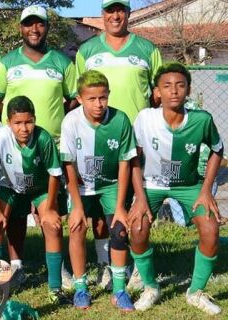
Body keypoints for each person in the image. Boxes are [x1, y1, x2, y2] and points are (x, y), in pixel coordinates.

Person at [75, 0, 163, 286]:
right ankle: (105, 263)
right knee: (102, 208)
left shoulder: (148, 49)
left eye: (120, 10)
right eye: (110, 10)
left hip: (137, 140)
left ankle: (138, 265)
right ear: (102, 14)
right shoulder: (87, 50)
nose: (115, 15)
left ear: (128, 13)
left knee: (139, 202)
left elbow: (157, 95)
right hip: (98, 139)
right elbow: (79, 93)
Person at [129, 62, 223, 315]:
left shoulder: (201, 120)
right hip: (151, 185)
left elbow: (217, 149)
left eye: (180, 85)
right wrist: (139, 198)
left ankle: (196, 292)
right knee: (137, 229)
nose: (174, 91)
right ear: (157, 91)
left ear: (188, 90)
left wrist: (205, 190)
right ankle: (151, 287)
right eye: (167, 86)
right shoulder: (145, 119)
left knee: (211, 228)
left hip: (189, 185)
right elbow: (133, 160)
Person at [60, 70, 136, 311]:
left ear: (109, 95)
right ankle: (81, 287)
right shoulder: (70, 121)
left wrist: (121, 207)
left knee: (120, 229)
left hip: (111, 184)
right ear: (80, 98)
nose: (98, 104)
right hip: (80, 187)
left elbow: (125, 163)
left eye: (103, 97)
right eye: (92, 99)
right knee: (77, 227)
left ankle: (119, 289)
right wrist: (77, 206)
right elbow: (68, 165)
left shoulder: (121, 120)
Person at [0, 95, 69, 306]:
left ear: (35, 119)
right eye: (18, 123)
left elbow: (54, 174)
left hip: (39, 189)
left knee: (52, 225)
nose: (24, 128)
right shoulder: (0, 139)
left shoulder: (43, 138)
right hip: (10, 187)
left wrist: (48, 208)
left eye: (29, 122)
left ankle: (56, 288)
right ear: (8, 122)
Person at [0, 5, 77, 141]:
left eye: (40, 24)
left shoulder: (64, 62)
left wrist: (57, 115)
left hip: (53, 143)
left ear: (48, 27)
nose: (34, 30)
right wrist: (14, 121)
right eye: (28, 24)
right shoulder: (5, 63)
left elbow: (74, 98)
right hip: (14, 143)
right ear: (20, 28)